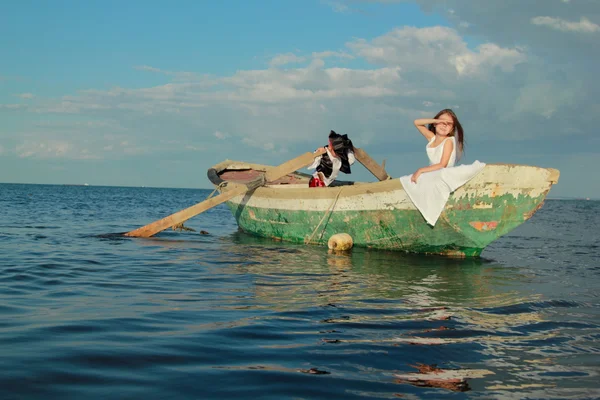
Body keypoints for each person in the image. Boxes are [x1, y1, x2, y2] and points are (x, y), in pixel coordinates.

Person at [410, 108, 464, 183]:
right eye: (442, 122)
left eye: (449, 124)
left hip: (443, 176)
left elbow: (442, 164)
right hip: (433, 174)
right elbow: (416, 122)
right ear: (435, 124)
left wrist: (421, 170)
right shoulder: (432, 138)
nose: (444, 125)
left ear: (451, 129)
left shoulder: (448, 141)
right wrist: (436, 121)